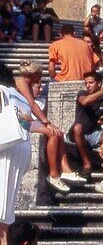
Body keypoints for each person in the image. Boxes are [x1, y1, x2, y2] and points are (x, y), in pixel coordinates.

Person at [14, 63, 85, 195]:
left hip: (26, 119)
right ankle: (53, 174)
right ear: (34, 74)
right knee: (52, 133)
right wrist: (46, 122)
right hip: (18, 121)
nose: (42, 77)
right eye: (40, 74)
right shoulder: (21, 81)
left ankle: (66, 169)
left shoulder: (27, 84)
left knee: (58, 132)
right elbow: (32, 103)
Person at [0, 66, 34, 238]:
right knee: (7, 205)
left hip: (5, 146)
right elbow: (29, 121)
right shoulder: (19, 96)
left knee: (1, 207)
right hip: (21, 145)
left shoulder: (2, 91)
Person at [69, 70, 103, 179]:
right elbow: (84, 102)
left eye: (91, 83)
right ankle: (87, 164)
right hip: (78, 133)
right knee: (77, 127)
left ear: (99, 83)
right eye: (86, 83)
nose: (88, 86)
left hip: (95, 133)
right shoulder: (82, 94)